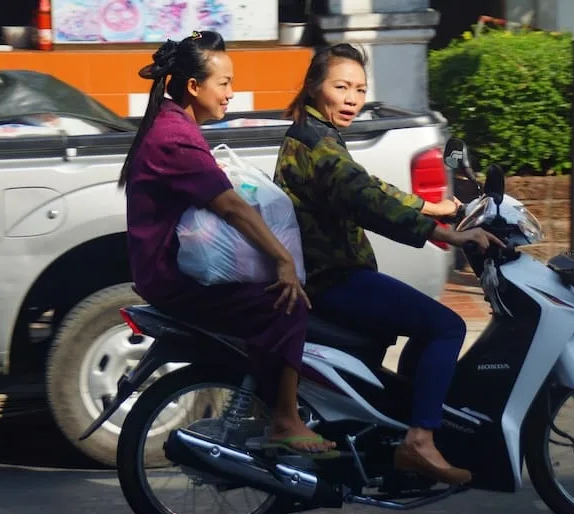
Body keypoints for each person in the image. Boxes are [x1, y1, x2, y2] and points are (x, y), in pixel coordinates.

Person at [273, 43, 504, 484]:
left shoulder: (316, 135)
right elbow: (366, 201)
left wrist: (427, 205)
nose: (351, 98)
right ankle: (419, 440)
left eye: (359, 89)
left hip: (333, 275)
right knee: (446, 326)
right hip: (334, 280)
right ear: (313, 87)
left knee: (417, 325)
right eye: (341, 86)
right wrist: (447, 234)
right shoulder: (315, 142)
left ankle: (394, 426)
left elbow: (367, 185)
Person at [120, 30, 336, 456]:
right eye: (224, 84)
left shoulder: (172, 124)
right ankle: (285, 421)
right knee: (287, 303)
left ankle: (267, 406)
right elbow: (232, 208)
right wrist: (283, 262)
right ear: (194, 87)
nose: (231, 94)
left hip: (165, 269)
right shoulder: (174, 136)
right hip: (171, 277)